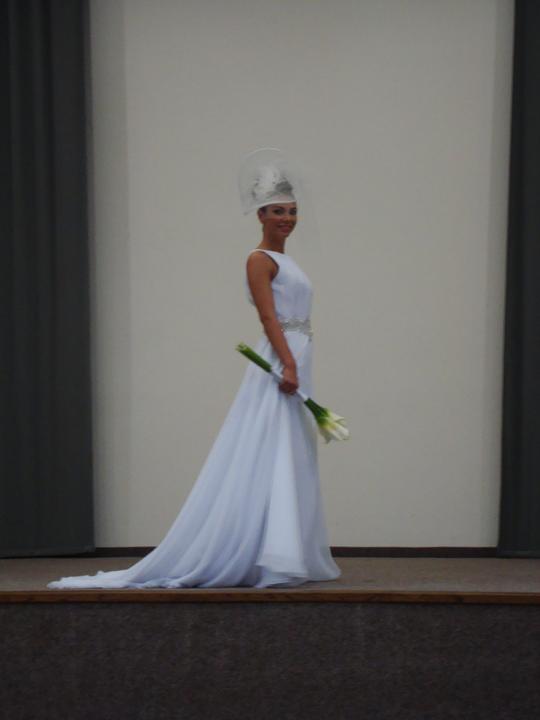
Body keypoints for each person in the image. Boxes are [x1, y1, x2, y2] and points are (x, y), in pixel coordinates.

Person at [47, 149, 341, 589]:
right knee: (271, 445)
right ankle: (266, 551)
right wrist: (288, 363)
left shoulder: (288, 261)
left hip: (297, 355)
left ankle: (279, 548)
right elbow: (268, 317)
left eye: (292, 211)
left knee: (289, 448)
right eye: (278, 211)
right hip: (283, 359)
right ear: (261, 215)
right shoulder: (259, 259)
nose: (287, 218)